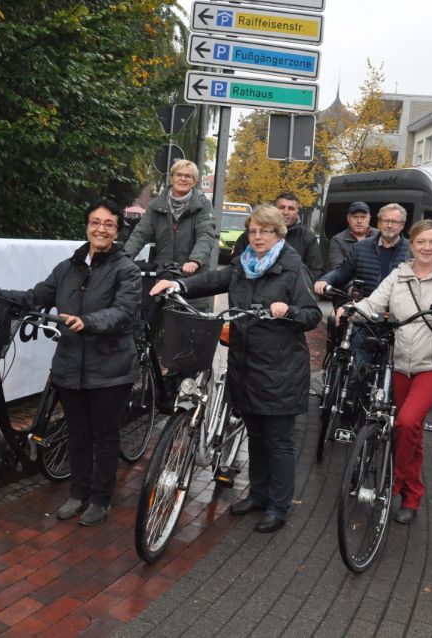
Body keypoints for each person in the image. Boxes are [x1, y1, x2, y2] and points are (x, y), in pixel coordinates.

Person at [150, 204, 322, 534]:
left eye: (266, 231)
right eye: (253, 231)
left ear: (279, 234)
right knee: (255, 434)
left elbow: (312, 315)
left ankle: (278, 506)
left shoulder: (291, 267)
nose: (258, 237)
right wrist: (179, 286)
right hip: (245, 363)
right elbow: (216, 279)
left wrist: (287, 311)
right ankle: (258, 495)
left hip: (280, 369)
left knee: (279, 441)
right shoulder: (244, 264)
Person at [0, 199, 141, 527]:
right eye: (95, 222)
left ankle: (100, 499)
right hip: (70, 365)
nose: (101, 229)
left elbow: (124, 312)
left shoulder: (127, 270)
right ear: (87, 226)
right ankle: (78, 493)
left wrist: (88, 321)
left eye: (108, 224)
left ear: (117, 230)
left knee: (104, 435)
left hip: (110, 369)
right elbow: (35, 296)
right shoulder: (69, 268)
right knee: (77, 433)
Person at [337, 220, 432, 525]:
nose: (427, 248)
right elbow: (374, 303)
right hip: (399, 362)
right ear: (412, 244)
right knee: (406, 429)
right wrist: (351, 310)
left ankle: (401, 488)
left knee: (408, 421)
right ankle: (405, 491)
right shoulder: (399, 274)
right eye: (421, 242)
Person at [124, 159, 217, 277]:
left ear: (194, 181)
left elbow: (206, 235)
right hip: (164, 272)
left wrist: (195, 260)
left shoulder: (203, 205)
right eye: (179, 175)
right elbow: (140, 234)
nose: (183, 179)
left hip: (192, 277)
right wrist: (124, 258)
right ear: (172, 178)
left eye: (188, 176)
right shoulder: (156, 205)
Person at [313, 203, 412, 298]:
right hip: (366, 307)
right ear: (379, 223)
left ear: (402, 225)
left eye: (394, 222)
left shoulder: (412, 250)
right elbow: (342, 271)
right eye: (385, 221)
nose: (389, 225)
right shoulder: (360, 247)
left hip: (398, 308)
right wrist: (325, 280)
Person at [231, 191, 324, 280]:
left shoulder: (308, 238)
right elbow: (235, 265)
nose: (286, 212)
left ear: (297, 212)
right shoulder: (251, 235)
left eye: (291, 208)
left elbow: (315, 270)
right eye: (282, 207)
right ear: (274, 209)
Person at [328, 201, 374, 268]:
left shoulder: (379, 236)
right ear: (348, 218)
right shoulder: (338, 240)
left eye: (363, 217)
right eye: (355, 217)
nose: (359, 221)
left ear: (369, 218)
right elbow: (337, 269)